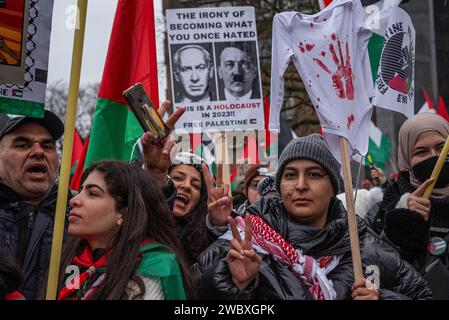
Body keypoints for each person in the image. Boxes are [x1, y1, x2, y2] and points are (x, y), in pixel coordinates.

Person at [194, 134, 431, 300]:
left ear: (333, 188)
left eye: (314, 174)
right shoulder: (244, 238)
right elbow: (189, 291)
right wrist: (234, 285)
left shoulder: (366, 248)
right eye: (290, 175)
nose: (300, 185)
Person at [56, 160, 191, 300]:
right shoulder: (71, 259)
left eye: (93, 193)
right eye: (80, 191)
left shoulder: (153, 267)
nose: (74, 201)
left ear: (124, 213)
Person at [365, 113, 449, 299]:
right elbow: (371, 277)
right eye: (421, 152)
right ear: (405, 159)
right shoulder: (380, 213)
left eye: (441, 148)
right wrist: (400, 228)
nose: (434, 157)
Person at [0, 110, 65, 299]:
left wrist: (156, 176)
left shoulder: (80, 216)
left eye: (48, 146)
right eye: (22, 145)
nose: (38, 152)